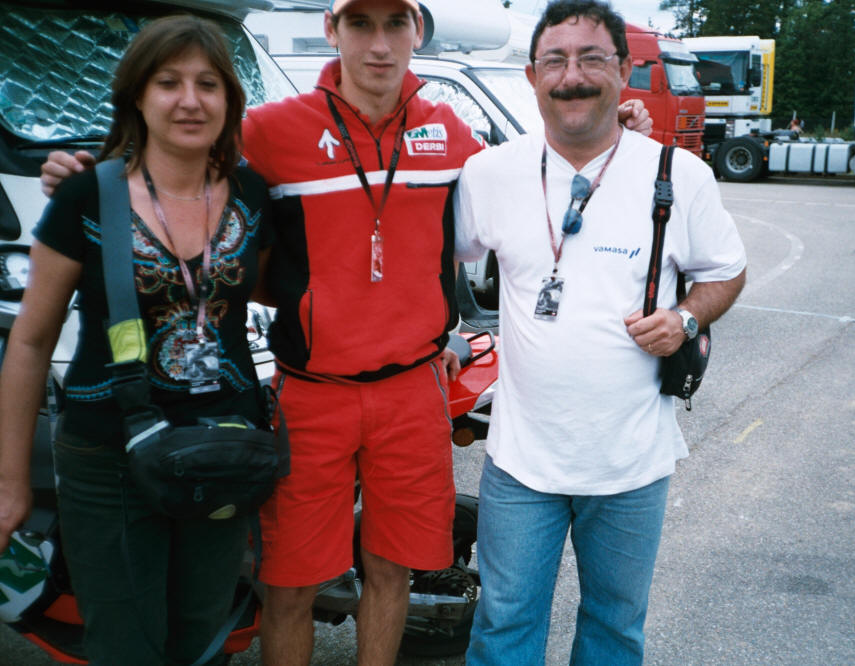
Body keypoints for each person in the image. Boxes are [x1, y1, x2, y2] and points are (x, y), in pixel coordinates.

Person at [39, 2, 653, 663]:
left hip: (411, 393)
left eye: (396, 24)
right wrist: (94, 176)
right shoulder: (272, 130)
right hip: (312, 392)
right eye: (361, 23)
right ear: (332, 30)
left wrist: (614, 133)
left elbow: (536, 175)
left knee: (391, 571)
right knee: (290, 584)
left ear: (418, 31)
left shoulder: (448, 132)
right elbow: (178, 153)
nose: (379, 43)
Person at [452, 1, 747, 664]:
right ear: (532, 76)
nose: (572, 76)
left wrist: (686, 318)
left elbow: (726, 271)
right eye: (555, 61)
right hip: (520, 462)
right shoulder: (489, 173)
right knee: (503, 626)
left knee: (614, 628)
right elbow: (435, 255)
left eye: (592, 59)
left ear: (624, 70)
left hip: (631, 464)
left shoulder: (677, 174)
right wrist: (440, 333)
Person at [0, 15, 274, 665]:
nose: (190, 100)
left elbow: (277, 288)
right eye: (168, 82)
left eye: (208, 83)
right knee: (125, 645)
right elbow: (31, 342)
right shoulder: (87, 194)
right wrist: (10, 484)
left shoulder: (252, 195)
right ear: (137, 97)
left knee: (201, 640)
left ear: (229, 101)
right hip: (108, 456)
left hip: (223, 451)